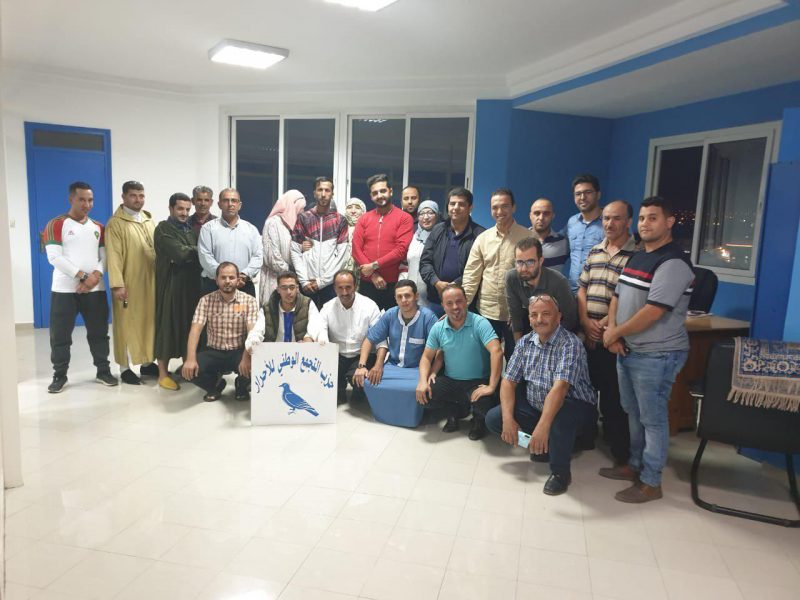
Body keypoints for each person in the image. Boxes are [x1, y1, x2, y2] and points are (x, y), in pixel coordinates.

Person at [603, 197, 694, 503]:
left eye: (653, 218)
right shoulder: (639, 256)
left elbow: (654, 311)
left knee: (652, 419)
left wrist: (616, 332)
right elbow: (617, 297)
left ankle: (651, 481)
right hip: (628, 349)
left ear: (669, 222)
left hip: (657, 354)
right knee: (634, 413)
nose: (645, 223)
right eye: (642, 218)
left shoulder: (673, 263)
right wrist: (613, 333)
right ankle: (635, 465)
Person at [486, 295, 597, 496]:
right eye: (534, 315)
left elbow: (560, 389)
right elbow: (508, 382)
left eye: (546, 314)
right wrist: (508, 419)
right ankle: (540, 446)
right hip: (537, 405)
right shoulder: (524, 342)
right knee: (495, 419)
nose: (539, 319)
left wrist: (543, 427)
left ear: (559, 317)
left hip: (573, 406)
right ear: (529, 319)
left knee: (561, 418)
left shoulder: (570, 344)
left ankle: (560, 472)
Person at [577, 200, 637, 473]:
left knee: (614, 398)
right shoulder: (595, 251)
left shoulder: (636, 256)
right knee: (586, 390)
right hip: (588, 333)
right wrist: (585, 321)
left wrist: (600, 327)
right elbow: (582, 288)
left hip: (614, 337)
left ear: (628, 222)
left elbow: (626, 299)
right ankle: (586, 436)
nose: (610, 224)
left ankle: (621, 454)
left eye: (617, 218)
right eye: (606, 218)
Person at [42, 181, 117, 393]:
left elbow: (105, 257)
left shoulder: (99, 227)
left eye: (90, 200)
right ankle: (59, 375)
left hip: (95, 291)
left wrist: (95, 277)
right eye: (82, 199)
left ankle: (103, 371)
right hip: (64, 291)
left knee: (99, 333)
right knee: (60, 336)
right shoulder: (56, 224)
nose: (87, 204)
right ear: (71, 199)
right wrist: (83, 276)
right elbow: (54, 257)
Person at [416, 285, 503, 440]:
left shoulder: (480, 323)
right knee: (425, 396)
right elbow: (426, 357)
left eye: (459, 301)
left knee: (484, 406)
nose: (455, 307)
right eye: (449, 303)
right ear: (443, 306)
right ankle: (455, 412)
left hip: (478, 381)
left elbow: (496, 351)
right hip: (451, 380)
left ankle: (478, 420)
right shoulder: (438, 328)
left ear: (466, 301)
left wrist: (491, 386)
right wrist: (422, 381)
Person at [353, 280, 438, 427]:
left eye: (407, 295)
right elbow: (369, 339)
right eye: (399, 297)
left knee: (414, 388)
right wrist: (362, 366)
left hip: (418, 369)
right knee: (370, 383)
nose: (404, 300)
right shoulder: (390, 315)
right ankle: (385, 416)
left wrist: (433, 372)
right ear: (395, 299)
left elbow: (439, 348)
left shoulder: (428, 317)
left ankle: (411, 419)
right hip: (393, 365)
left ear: (416, 296)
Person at [462, 188, 530, 361]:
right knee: (485, 360)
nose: (499, 211)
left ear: (513, 207)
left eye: (505, 206)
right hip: (486, 311)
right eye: (495, 207)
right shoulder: (483, 239)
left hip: (516, 313)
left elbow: (533, 277)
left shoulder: (528, 237)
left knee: (516, 359)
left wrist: (524, 308)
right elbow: (471, 275)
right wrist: (461, 306)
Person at [105, 180, 158, 385]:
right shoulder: (116, 223)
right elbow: (113, 256)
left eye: (141, 195)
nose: (138, 200)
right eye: (133, 196)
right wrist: (117, 284)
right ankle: (124, 367)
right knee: (126, 324)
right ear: (124, 197)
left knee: (148, 322)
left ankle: (147, 362)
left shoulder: (148, 220)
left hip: (150, 282)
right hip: (128, 283)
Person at [182, 262, 258, 402]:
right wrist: (190, 359)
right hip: (213, 351)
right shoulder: (205, 301)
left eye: (231, 277)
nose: (227, 281)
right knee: (187, 371)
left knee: (257, 367)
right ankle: (214, 385)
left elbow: (252, 333)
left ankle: (241, 385)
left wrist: (247, 357)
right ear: (216, 280)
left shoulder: (249, 301)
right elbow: (195, 330)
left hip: (238, 351)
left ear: (238, 280)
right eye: (223, 277)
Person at [307, 270, 384, 404]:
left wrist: (378, 365)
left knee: (361, 386)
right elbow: (320, 330)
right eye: (340, 288)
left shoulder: (370, 306)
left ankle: (358, 390)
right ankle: (339, 388)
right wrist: (325, 354)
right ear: (334, 288)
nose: (344, 292)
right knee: (330, 389)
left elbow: (380, 338)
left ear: (355, 286)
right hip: (337, 354)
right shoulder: (327, 307)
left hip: (362, 355)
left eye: (348, 287)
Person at [153, 192, 202, 391]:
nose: (184, 213)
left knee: (188, 327)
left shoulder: (189, 229)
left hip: (191, 287)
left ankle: (186, 367)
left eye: (187, 209)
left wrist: (190, 251)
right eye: (180, 208)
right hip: (170, 286)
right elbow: (179, 253)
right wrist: (195, 251)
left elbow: (189, 252)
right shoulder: (163, 229)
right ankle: (162, 375)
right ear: (171, 208)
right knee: (167, 327)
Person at [419, 187, 486, 317]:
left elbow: (480, 269)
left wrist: (456, 285)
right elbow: (425, 262)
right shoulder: (438, 230)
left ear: (470, 208)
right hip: (436, 300)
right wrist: (436, 282)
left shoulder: (480, 235)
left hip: (465, 303)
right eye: (452, 203)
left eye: (461, 204)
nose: (455, 208)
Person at [351, 174, 414, 310]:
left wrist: (374, 265)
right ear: (371, 196)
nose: (379, 195)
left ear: (390, 191)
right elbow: (356, 249)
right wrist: (373, 274)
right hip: (368, 283)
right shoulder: (364, 219)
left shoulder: (404, 218)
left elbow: (401, 249)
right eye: (375, 193)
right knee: (367, 322)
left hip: (394, 284)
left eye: (383, 191)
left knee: (394, 321)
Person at [291, 177, 349, 309]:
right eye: (320, 190)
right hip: (307, 284)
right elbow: (295, 251)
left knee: (330, 321)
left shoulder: (340, 221)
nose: (323, 194)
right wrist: (304, 281)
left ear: (332, 193)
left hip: (330, 284)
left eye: (327, 190)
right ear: (314, 193)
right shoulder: (303, 218)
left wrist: (322, 282)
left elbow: (342, 256)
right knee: (305, 320)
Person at [505, 237, 577, 339]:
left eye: (530, 262)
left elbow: (571, 320)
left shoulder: (559, 281)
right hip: (533, 322)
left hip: (559, 327)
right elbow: (515, 315)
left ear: (541, 261)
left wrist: (546, 343)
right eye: (519, 262)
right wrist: (519, 345)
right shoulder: (511, 278)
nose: (524, 268)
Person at [197, 187, 262, 296]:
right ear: (219, 204)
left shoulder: (251, 230)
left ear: (239, 205)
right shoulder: (208, 228)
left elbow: (258, 257)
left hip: (244, 285)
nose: (230, 204)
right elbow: (205, 256)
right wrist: (224, 277)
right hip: (214, 286)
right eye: (226, 200)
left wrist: (244, 275)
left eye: (234, 201)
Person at [245, 271, 318, 352]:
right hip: (274, 353)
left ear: (297, 288)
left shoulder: (308, 304)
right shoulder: (267, 308)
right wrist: (253, 343)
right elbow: (256, 332)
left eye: (292, 287)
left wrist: (308, 338)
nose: (288, 292)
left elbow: (316, 327)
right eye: (284, 288)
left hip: (300, 352)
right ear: (278, 290)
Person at [260, 189, 306, 305]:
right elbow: (271, 257)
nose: (303, 212)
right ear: (292, 206)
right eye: (301, 208)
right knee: (273, 313)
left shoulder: (294, 225)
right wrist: (290, 271)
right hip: (274, 281)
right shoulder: (273, 223)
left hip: (291, 282)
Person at [566, 174, 605, 293]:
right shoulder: (572, 222)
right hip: (572, 291)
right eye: (578, 194)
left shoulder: (610, 222)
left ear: (598, 194)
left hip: (597, 292)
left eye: (588, 192)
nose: (582, 197)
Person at [399, 200, 439, 308]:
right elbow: (405, 263)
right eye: (422, 213)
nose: (425, 217)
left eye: (430, 213)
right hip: (411, 296)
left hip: (433, 297)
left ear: (437, 215)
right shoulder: (413, 237)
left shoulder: (441, 237)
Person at [529, 198, 569, 272]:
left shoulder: (563, 243)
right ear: (530, 216)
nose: (541, 218)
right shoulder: (519, 239)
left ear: (553, 216)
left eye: (546, 213)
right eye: (537, 213)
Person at [342, 197, 366, 286]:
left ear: (363, 211)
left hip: (361, 269)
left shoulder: (367, 228)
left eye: (357, 207)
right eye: (349, 207)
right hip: (342, 268)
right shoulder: (340, 227)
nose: (353, 211)